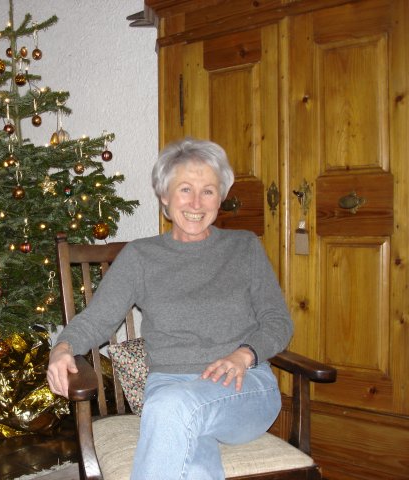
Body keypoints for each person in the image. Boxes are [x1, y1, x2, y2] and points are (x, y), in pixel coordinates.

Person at [47, 137, 293, 479]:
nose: (196, 203)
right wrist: (63, 347)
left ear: (221, 197)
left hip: (243, 385)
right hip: (170, 385)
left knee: (169, 408)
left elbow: (278, 321)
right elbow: (98, 319)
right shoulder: (140, 257)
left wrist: (245, 355)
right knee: (193, 465)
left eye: (208, 191)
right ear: (164, 195)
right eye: (185, 189)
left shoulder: (244, 247)